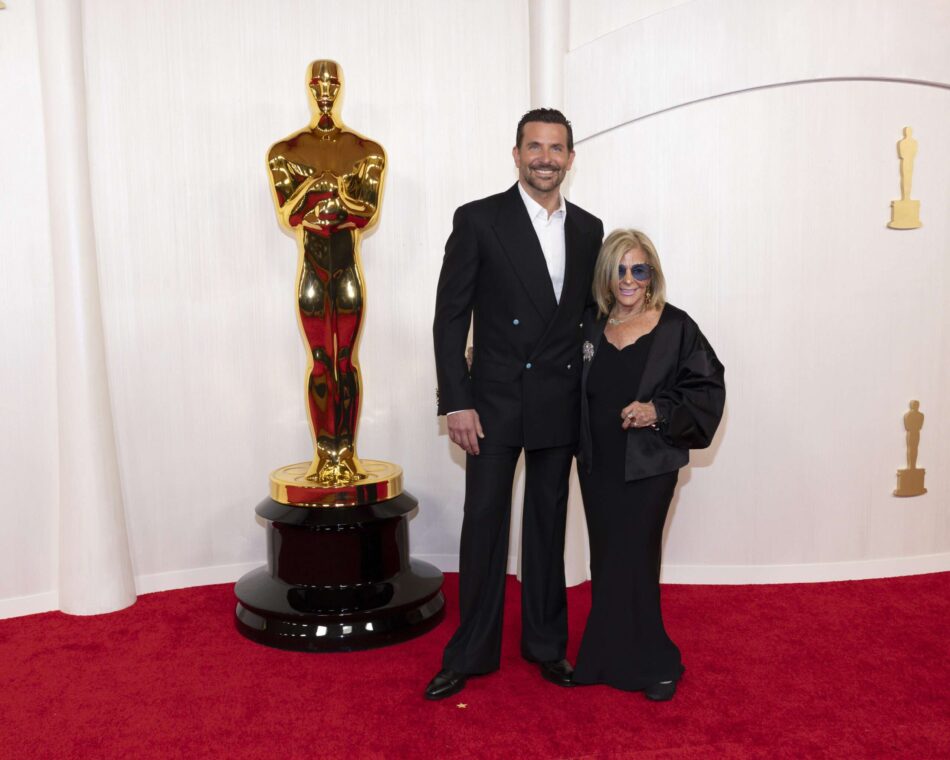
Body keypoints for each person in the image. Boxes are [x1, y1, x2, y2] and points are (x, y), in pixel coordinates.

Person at [427, 109, 604, 700]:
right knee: (484, 526)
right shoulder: (479, 220)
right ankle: (470, 652)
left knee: (548, 527)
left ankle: (547, 645)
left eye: (556, 148)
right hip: (494, 401)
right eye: (535, 146)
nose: (545, 158)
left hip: (557, 399)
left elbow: (588, 317)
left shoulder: (588, 228)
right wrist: (456, 400)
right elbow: (450, 315)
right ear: (516, 153)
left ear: (571, 158)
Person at [574, 229, 725, 701]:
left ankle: (655, 662)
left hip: (649, 465)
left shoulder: (676, 326)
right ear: (606, 274)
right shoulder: (592, 326)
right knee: (606, 557)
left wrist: (657, 411)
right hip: (597, 464)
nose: (629, 279)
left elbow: (708, 387)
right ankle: (603, 656)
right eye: (619, 269)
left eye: (638, 269)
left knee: (637, 557)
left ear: (652, 274)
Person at [267, 60, 385, 486]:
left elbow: (365, 212)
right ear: (308, 85)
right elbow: (290, 212)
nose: (325, 89)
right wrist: (328, 190)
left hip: (346, 269)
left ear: (341, 87)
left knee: (345, 360)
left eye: (332, 81)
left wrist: (323, 195)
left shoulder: (366, 150)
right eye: (318, 82)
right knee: (320, 361)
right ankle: (325, 455)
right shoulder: (286, 151)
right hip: (313, 269)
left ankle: (346, 455)